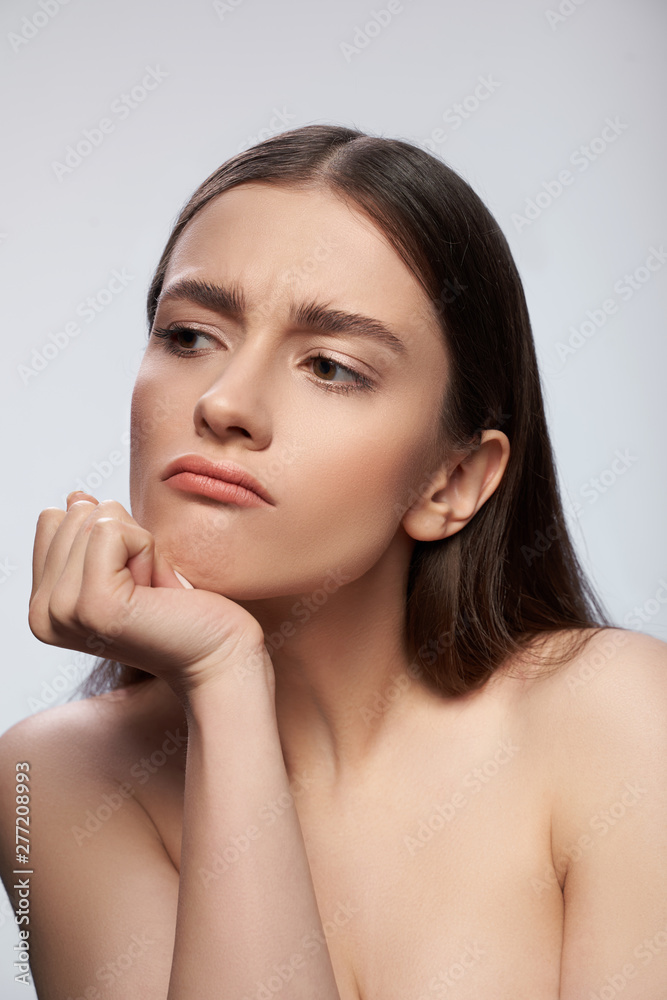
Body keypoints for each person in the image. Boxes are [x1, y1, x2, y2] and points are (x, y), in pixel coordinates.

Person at [1, 123, 665, 1000]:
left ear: (452, 480)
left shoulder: (617, 717)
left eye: (330, 366)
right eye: (190, 335)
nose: (225, 403)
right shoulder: (52, 778)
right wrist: (224, 682)